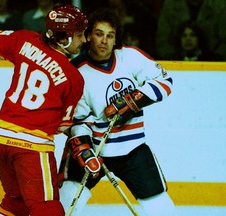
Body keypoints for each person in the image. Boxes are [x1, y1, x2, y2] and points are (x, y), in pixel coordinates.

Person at [59, 7, 176, 216]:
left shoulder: (130, 57)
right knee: (65, 204)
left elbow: (165, 81)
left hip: (132, 147)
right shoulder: (75, 72)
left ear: (116, 40)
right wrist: (84, 151)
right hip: (95, 150)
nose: (104, 41)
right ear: (88, 36)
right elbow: (77, 120)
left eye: (110, 35)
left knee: (161, 208)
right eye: (98, 34)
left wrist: (133, 101)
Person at [0, 4, 88, 216]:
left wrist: (22, 57)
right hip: (31, 148)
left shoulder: (23, 40)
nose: (84, 40)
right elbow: (62, 126)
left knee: (16, 202)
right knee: (47, 207)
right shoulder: (73, 78)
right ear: (63, 37)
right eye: (79, 35)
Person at [155, 0, 226, 60]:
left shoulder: (220, 5)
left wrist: (213, 59)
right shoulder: (170, 5)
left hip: (214, 66)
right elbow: (162, 40)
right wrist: (174, 59)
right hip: (176, 65)